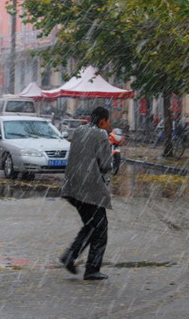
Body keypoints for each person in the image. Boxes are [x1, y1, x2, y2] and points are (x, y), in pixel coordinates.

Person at [60, 106, 113, 281]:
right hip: (90, 188)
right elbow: (105, 164)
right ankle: (92, 269)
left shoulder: (79, 130)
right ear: (102, 121)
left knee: (91, 226)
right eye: (108, 120)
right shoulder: (101, 135)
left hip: (73, 186)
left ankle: (70, 255)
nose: (109, 124)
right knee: (100, 229)